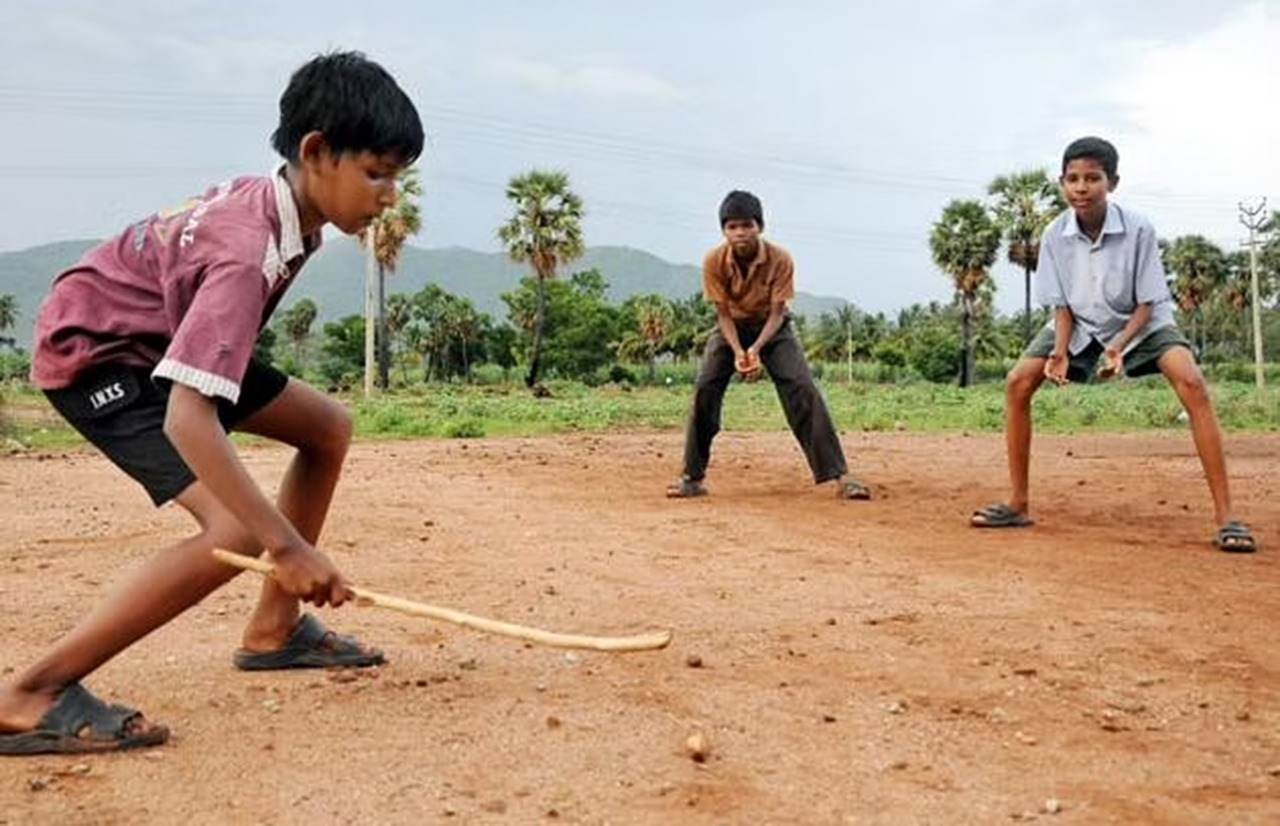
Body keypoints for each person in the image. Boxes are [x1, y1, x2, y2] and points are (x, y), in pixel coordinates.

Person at [0, 51, 424, 755]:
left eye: (397, 179)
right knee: (236, 533)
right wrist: (285, 545)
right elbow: (186, 417)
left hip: (163, 336)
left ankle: (275, 629)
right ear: (316, 152)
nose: (389, 196)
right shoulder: (246, 249)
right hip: (103, 357)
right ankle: (32, 690)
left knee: (325, 428)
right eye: (377, 174)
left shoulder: (292, 212)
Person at [971, 136, 1256, 553]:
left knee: (1192, 382)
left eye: (1092, 178)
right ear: (1062, 183)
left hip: (1142, 323)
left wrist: (1120, 346)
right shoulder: (1054, 235)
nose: (1081, 187)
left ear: (1113, 182)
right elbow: (1063, 307)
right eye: (1072, 179)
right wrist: (1059, 352)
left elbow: (1146, 303)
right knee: (1018, 382)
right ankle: (1018, 502)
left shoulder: (1138, 227)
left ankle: (1227, 517)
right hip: (1082, 323)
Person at [666, 190, 871, 501]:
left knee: (803, 388)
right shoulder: (713, 261)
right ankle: (691, 477)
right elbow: (722, 314)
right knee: (705, 388)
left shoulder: (780, 259)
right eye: (732, 227)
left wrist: (757, 349)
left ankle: (841, 476)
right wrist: (738, 352)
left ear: (760, 226)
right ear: (724, 231)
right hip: (731, 329)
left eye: (746, 225)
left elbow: (777, 314)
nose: (740, 233)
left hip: (773, 330)